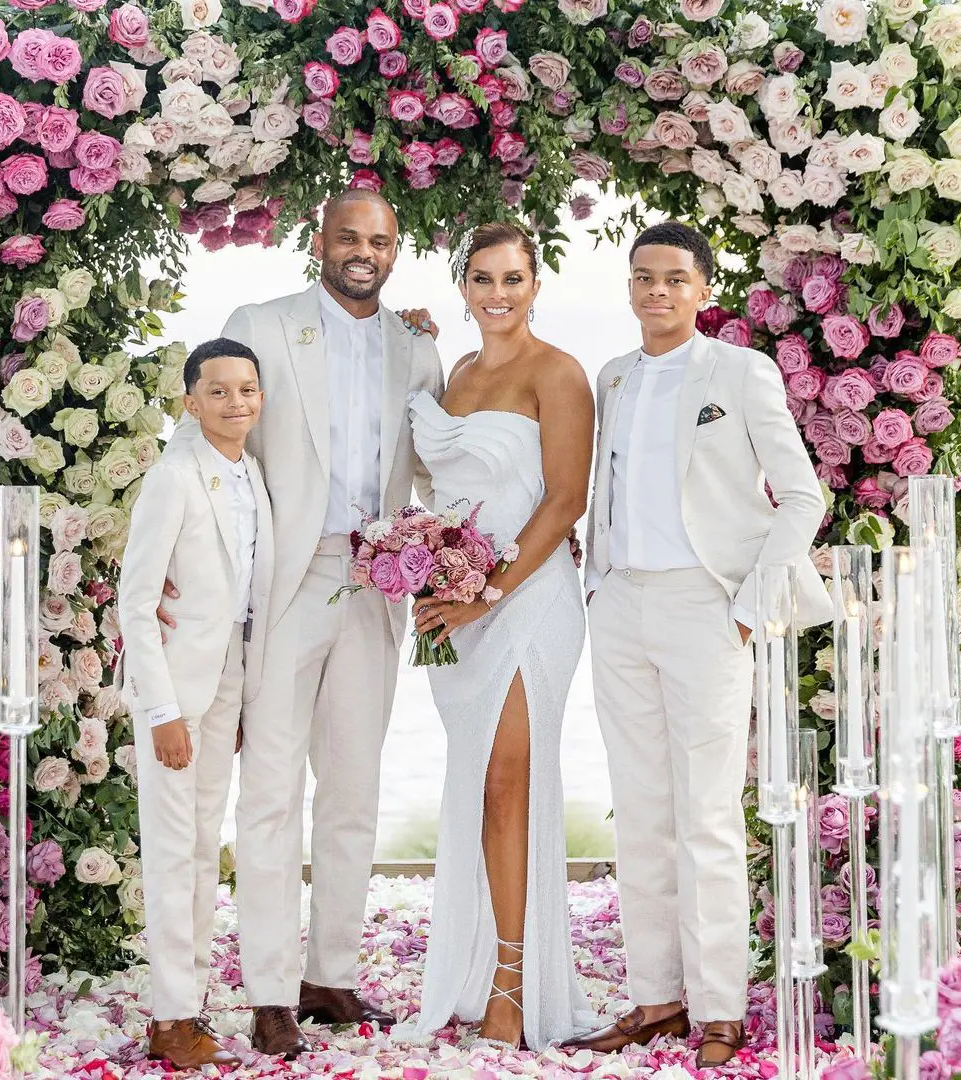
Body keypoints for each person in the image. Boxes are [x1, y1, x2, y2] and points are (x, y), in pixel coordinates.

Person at [157, 191, 443, 1060]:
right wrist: (169, 555)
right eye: (349, 236)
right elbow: (202, 433)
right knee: (273, 790)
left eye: (381, 240)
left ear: (397, 251)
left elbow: (437, 461)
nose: (365, 251)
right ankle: (271, 990)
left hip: (377, 582)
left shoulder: (418, 346)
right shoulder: (264, 322)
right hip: (286, 580)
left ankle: (330, 974)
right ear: (320, 242)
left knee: (354, 787)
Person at [565, 222, 830, 1067]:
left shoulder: (740, 372)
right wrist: (598, 581)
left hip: (706, 609)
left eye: (675, 279)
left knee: (706, 815)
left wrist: (750, 607)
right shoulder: (613, 377)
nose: (656, 292)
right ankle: (656, 998)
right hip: (620, 607)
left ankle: (720, 1008)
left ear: (701, 288)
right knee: (640, 811)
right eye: (644, 278)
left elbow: (801, 498)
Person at [408, 222, 596, 1050]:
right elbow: (446, 486)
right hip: (459, 604)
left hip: (526, 601)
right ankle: (480, 961)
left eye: (512, 278)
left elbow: (565, 502)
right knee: (476, 784)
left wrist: (488, 591)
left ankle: (513, 986)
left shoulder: (558, 373)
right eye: (482, 279)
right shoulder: (453, 373)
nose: (497, 294)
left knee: (508, 785)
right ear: (463, 287)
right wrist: (431, 571)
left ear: (535, 283)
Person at [118, 339, 273, 1069]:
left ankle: (193, 1007)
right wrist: (161, 711)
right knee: (174, 854)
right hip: (176, 696)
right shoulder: (175, 478)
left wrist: (234, 697)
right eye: (218, 391)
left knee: (204, 850)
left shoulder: (253, 475)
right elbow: (137, 603)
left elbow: (241, 599)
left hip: (225, 686)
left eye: (248, 390)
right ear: (190, 401)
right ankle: (170, 1017)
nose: (236, 402)